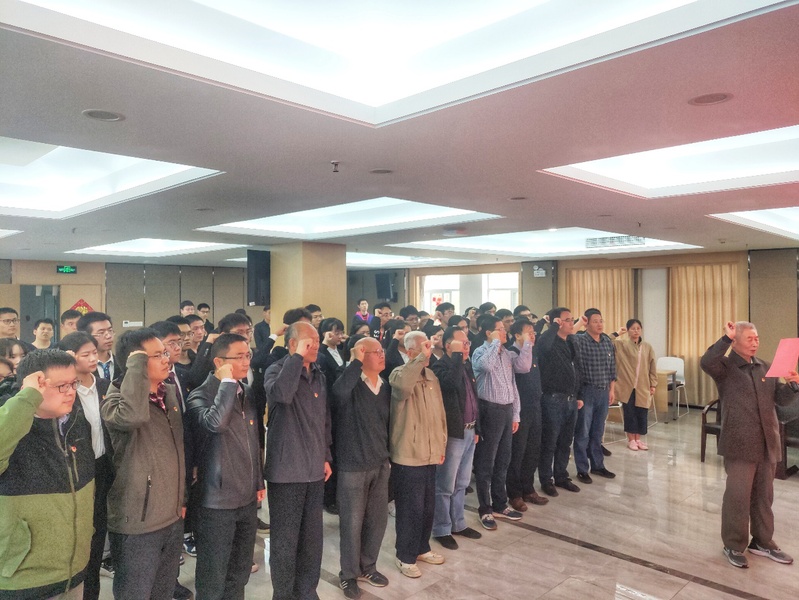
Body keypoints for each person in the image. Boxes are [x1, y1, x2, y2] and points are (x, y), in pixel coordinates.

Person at [701, 321, 799, 569]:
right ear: (735, 341)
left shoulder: (765, 366)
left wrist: (793, 385)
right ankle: (733, 545)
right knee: (738, 497)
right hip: (740, 443)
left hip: (767, 442)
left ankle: (762, 542)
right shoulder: (725, 367)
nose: (755, 342)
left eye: (757, 338)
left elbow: (780, 400)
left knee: (764, 496)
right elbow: (706, 361)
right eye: (750, 338)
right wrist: (725, 338)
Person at [0, 350, 94, 600]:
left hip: (73, 569)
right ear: (32, 386)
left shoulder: (74, 422)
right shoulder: (11, 425)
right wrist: (27, 398)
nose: (70, 392)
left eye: (73, 383)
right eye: (61, 386)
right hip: (24, 578)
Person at [101, 328, 186, 600]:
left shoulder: (167, 393)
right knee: (135, 593)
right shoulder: (114, 401)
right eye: (157, 355)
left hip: (171, 516)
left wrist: (181, 500)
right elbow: (133, 416)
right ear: (134, 362)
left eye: (165, 353)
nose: (167, 359)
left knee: (163, 591)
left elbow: (177, 452)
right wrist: (136, 364)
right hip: (138, 522)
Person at [187, 333, 264, 598]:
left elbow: (253, 441)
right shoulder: (199, 395)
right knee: (213, 575)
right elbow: (215, 424)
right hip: (216, 502)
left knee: (239, 572)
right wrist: (228, 383)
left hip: (246, 498)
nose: (246, 362)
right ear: (219, 362)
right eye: (239, 357)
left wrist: (258, 481)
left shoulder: (246, 392)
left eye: (248, 355)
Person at [264, 322, 332, 600]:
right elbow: (281, 394)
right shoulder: (275, 370)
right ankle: (283, 595)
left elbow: (324, 420)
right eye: (309, 341)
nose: (316, 345)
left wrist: (326, 456)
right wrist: (296, 360)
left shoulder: (319, 374)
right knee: (285, 541)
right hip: (286, 472)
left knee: (312, 541)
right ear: (292, 344)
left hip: (314, 469)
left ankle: (307, 592)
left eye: (317, 340)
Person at [331, 336, 391, 599]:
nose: (381, 354)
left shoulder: (384, 386)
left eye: (381, 350)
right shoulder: (349, 381)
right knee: (351, 524)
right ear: (360, 355)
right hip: (353, 465)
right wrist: (354, 362)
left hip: (380, 462)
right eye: (375, 351)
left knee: (377, 521)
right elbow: (338, 394)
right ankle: (348, 575)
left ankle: (369, 567)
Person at [58, 332, 113, 600]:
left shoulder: (104, 385)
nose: (93, 358)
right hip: (76, 473)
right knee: (79, 538)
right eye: (85, 354)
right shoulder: (65, 390)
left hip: (103, 468)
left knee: (97, 533)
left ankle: (92, 592)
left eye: (94, 352)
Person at [388, 331, 448, 578]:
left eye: (429, 346)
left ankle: (422, 547)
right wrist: (419, 359)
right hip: (408, 454)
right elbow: (403, 388)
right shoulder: (398, 373)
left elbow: (440, 413)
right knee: (409, 508)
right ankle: (405, 555)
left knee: (427, 506)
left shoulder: (431, 376)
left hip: (431, 452)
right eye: (423, 347)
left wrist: (441, 445)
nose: (428, 351)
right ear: (410, 351)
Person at [471, 315, 532, 530]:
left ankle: (499, 503)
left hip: (506, 410)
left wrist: (516, 414)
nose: (504, 332)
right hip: (490, 410)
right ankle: (485, 508)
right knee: (486, 462)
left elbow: (521, 372)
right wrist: (495, 342)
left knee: (503, 460)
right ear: (488, 333)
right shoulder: (480, 352)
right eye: (500, 329)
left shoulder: (507, 353)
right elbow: (486, 367)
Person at [430, 326, 482, 550]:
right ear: (448, 345)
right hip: (453, 433)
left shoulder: (466, 365)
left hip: (469, 430)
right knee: (445, 484)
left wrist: (477, 429)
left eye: (467, 343)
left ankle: (458, 523)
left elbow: (473, 399)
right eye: (462, 344)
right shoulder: (440, 366)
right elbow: (450, 384)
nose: (466, 347)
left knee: (462, 482)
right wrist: (457, 357)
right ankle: (442, 528)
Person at [536, 308, 583, 496]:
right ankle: (546, 480)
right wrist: (553, 326)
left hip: (571, 400)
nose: (572, 323)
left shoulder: (570, 341)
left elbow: (577, 369)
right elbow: (542, 346)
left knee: (565, 442)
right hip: (553, 399)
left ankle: (561, 476)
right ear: (557, 322)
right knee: (550, 442)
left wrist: (579, 395)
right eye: (567, 320)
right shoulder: (547, 342)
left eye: (572, 319)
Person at [506, 318, 549, 510]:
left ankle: (528, 489)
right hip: (519, 410)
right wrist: (527, 346)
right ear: (517, 335)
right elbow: (522, 368)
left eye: (533, 332)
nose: (533, 335)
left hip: (535, 407)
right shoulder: (511, 353)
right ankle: (514, 494)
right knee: (518, 452)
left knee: (533, 450)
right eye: (528, 332)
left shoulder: (532, 351)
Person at [573, 308, 616, 483]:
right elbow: (568, 336)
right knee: (583, 432)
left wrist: (611, 390)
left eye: (601, 321)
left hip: (603, 392)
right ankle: (582, 469)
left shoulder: (607, 341)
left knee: (598, 432)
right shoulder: (580, 341)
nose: (599, 324)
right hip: (586, 392)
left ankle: (598, 465)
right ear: (587, 323)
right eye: (595, 321)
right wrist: (579, 323)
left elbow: (612, 368)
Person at [612, 319, 657, 451]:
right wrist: (617, 333)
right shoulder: (621, 344)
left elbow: (652, 366)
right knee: (630, 413)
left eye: (638, 328)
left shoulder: (647, 347)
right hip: (627, 386)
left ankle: (638, 439)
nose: (636, 331)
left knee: (641, 413)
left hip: (643, 386)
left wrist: (653, 384)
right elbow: (605, 340)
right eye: (632, 328)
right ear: (628, 330)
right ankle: (631, 440)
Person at [77, 312, 116, 381]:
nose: (109, 336)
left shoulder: (123, 364)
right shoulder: (81, 368)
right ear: (87, 336)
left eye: (110, 330)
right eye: (101, 333)